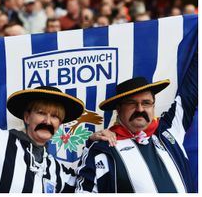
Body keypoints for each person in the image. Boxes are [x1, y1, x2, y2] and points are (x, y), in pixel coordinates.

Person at [75, 54, 197, 193]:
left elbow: (190, 92)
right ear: (119, 109)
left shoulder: (169, 129)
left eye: (146, 103)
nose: (140, 109)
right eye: (132, 103)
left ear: (153, 106)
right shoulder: (102, 149)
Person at [0, 86, 115, 193]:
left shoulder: (57, 171)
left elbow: (88, 183)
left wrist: (93, 143)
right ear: (27, 117)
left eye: (55, 116)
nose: (48, 121)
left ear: (59, 125)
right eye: (42, 113)